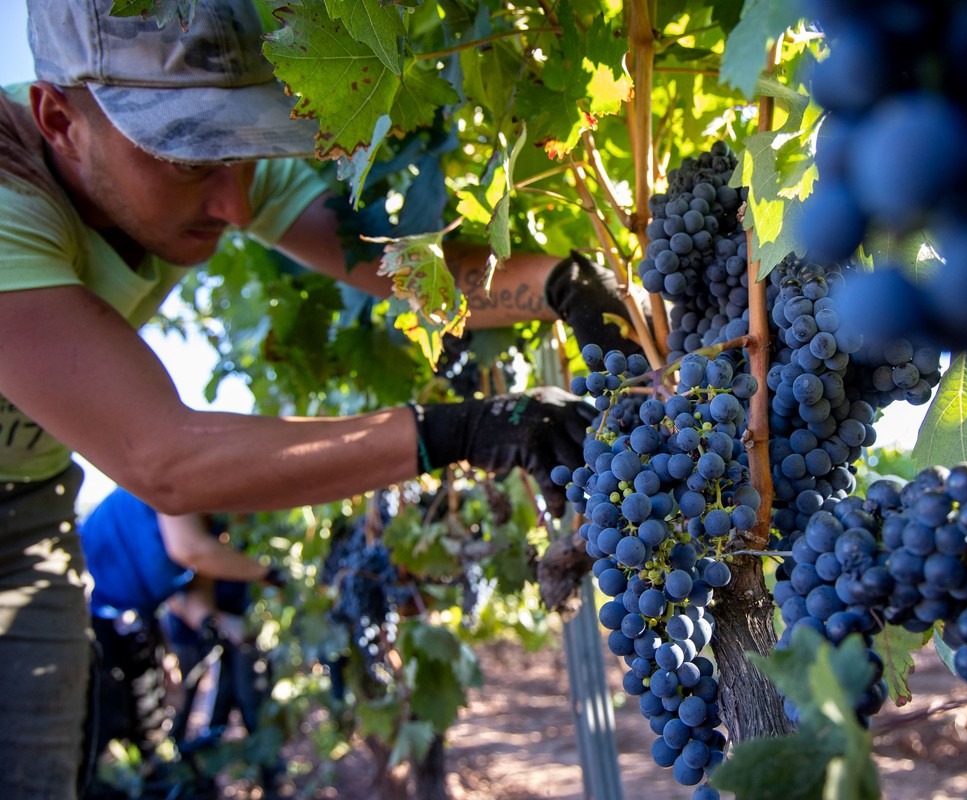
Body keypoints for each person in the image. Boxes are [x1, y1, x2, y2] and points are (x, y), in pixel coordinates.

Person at [0, 1, 640, 797]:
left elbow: (396, 272)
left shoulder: (207, 158)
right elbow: (161, 459)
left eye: (242, 151)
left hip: (28, 506)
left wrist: (563, 285)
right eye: (190, 161)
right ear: (58, 118)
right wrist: (466, 429)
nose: (235, 206)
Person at [78, 488, 283, 799]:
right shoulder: (182, 484)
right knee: (104, 734)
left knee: (146, 726)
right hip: (90, 617)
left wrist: (215, 624)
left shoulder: (211, 522)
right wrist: (269, 574)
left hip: (132, 624)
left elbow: (195, 592)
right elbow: (189, 550)